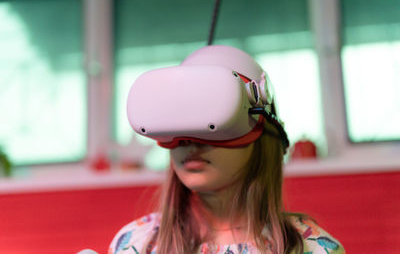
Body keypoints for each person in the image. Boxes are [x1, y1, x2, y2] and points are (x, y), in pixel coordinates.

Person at [109, 45, 345, 254]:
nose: (190, 141)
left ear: (261, 127)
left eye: (214, 123)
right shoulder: (137, 244)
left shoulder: (312, 246)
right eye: (180, 122)